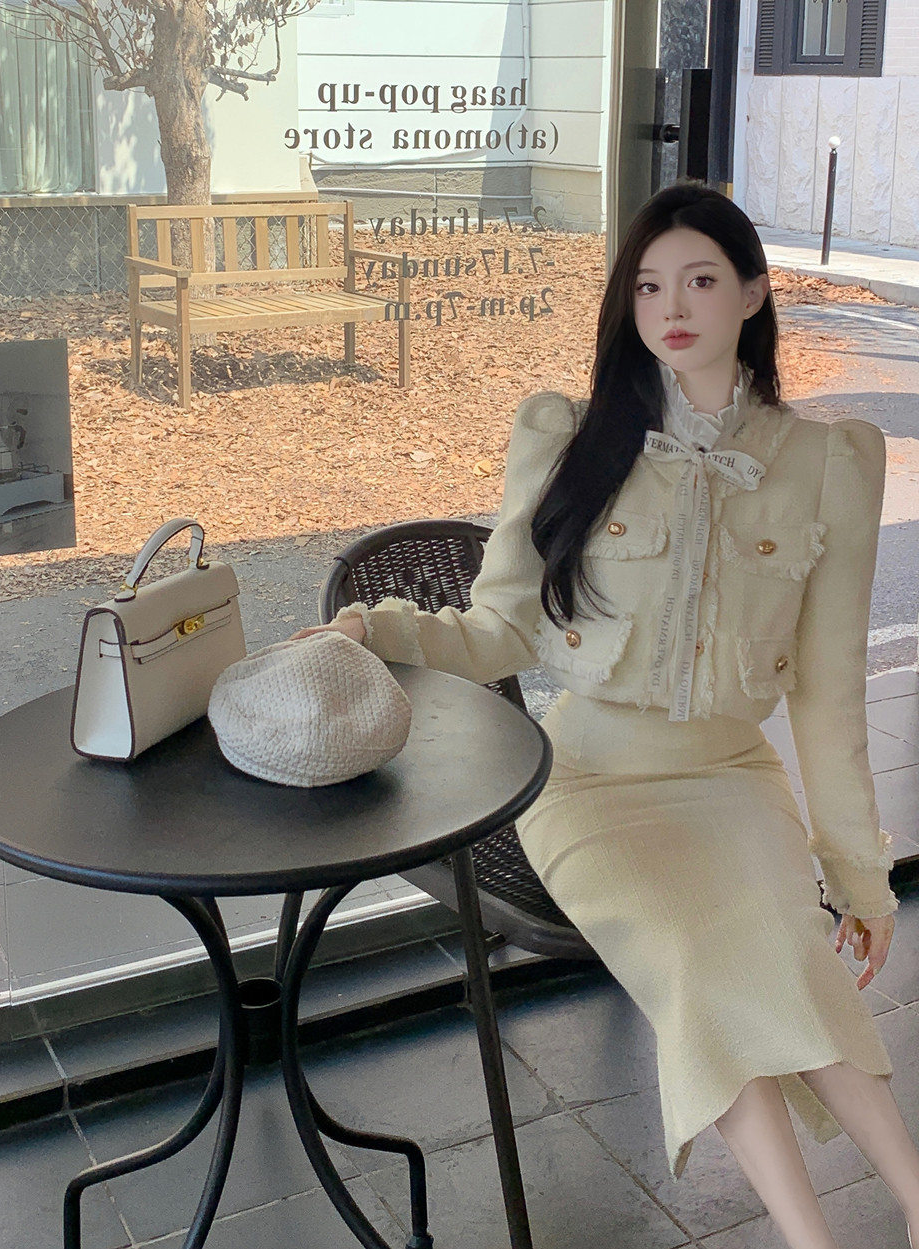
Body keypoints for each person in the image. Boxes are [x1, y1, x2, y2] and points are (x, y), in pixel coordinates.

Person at [292, 182, 919, 1249]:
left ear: (753, 293)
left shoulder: (829, 465)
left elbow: (826, 695)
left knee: (786, 946)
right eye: (648, 285)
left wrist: (857, 872)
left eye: (701, 280)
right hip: (586, 783)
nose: (671, 306)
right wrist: (372, 627)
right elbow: (498, 630)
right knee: (693, 957)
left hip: (732, 779)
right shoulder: (570, 439)